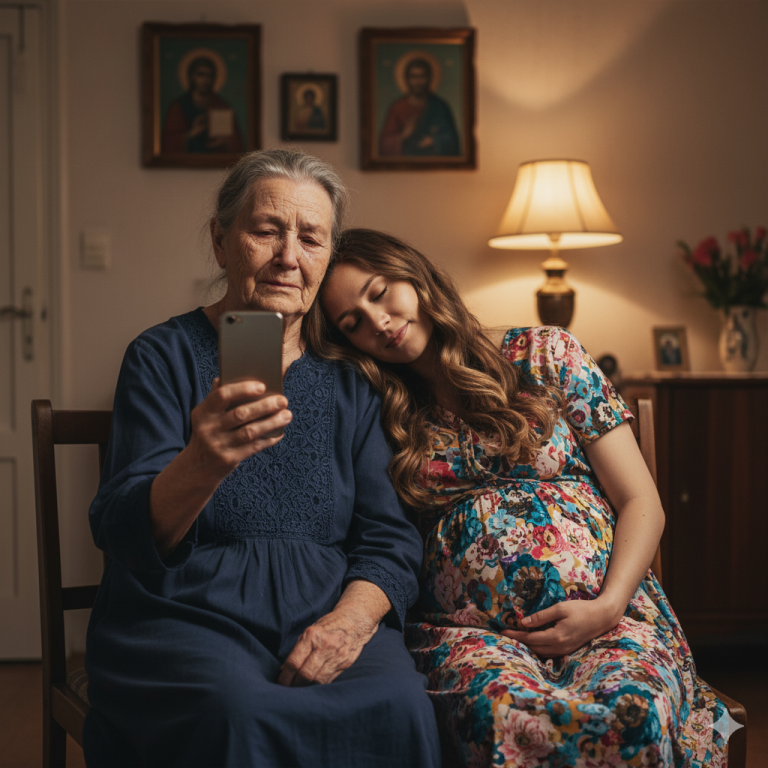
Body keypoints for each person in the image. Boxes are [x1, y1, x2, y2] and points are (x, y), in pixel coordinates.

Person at [307, 228, 728, 767]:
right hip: (472, 637)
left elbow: (641, 500)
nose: (379, 322)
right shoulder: (383, 415)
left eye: (379, 291)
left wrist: (607, 607)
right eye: (353, 324)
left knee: (631, 713)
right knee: (505, 717)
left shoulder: (547, 353)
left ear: (414, 274)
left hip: (610, 616)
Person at [83, 155, 440, 767]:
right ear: (222, 243)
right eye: (266, 230)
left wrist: (349, 625)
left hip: (324, 611)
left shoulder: (350, 381)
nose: (288, 256)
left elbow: (388, 539)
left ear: (326, 258)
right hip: (184, 612)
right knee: (237, 712)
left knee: (402, 702)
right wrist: (202, 462)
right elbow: (119, 528)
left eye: (310, 238)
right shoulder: (160, 355)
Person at [161, 55, 245, 154]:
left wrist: (226, 140)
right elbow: (168, 143)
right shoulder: (177, 106)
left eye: (209, 75)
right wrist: (191, 134)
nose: (205, 80)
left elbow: (237, 145)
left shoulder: (222, 106)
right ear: (192, 76)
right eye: (201, 74)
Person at [378, 57, 460, 157]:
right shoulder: (398, 108)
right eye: (413, 77)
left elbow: (452, 140)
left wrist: (434, 140)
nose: (418, 82)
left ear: (429, 78)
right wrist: (403, 136)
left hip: (435, 167)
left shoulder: (440, 107)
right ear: (407, 79)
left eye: (422, 76)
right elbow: (384, 144)